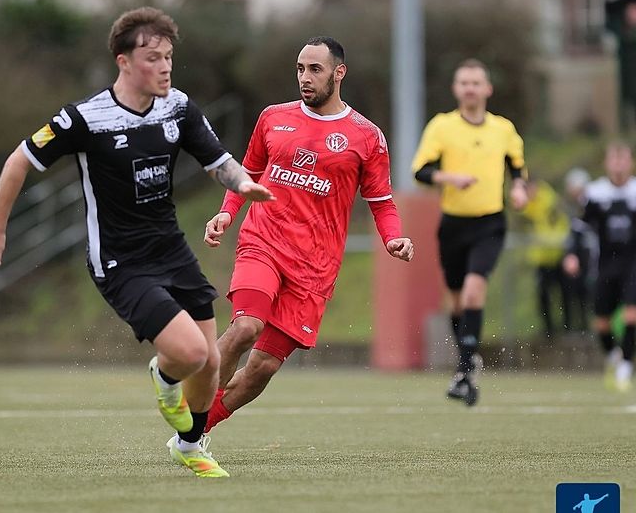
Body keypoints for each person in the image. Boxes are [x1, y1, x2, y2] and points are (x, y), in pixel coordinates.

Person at [0, 7, 273, 478]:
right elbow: (19, 160)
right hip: (121, 261)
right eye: (153, 57)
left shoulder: (178, 107)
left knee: (209, 364)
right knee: (188, 354)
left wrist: (241, 183)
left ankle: (188, 445)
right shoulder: (84, 118)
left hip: (171, 249)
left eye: (169, 57)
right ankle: (164, 377)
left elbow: (217, 160)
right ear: (123, 61)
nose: (165, 66)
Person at [201, 36, 414, 434]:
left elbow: (382, 202)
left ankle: (194, 432)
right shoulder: (272, 118)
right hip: (263, 243)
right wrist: (227, 214)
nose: (305, 77)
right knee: (246, 327)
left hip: (315, 266)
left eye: (315, 69)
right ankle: (190, 402)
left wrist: (393, 238)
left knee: (262, 367)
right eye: (300, 69)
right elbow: (246, 175)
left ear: (339, 73)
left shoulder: (367, 137)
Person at [410, 58, 528, 406]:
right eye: (464, 83)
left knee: (476, 292)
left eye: (476, 83)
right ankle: (468, 362)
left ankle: (464, 370)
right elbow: (421, 171)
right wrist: (451, 178)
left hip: (489, 222)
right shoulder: (442, 127)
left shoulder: (503, 129)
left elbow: (517, 167)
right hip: (453, 224)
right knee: (458, 300)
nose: (470, 88)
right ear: (456, 89)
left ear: (488, 89)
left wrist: (519, 189)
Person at [563, 142, 636, 392]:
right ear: (607, 164)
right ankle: (615, 355)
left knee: (631, 313)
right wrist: (572, 255)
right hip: (605, 264)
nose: (618, 164)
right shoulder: (595, 193)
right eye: (614, 159)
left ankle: (626, 365)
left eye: (623, 159)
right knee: (601, 322)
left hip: (632, 264)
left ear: (630, 162)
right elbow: (579, 229)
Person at [519, 178, 572, 339]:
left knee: (564, 293)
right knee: (543, 295)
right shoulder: (528, 207)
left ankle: (568, 328)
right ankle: (549, 329)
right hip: (541, 259)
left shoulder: (550, 202)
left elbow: (559, 225)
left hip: (558, 255)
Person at [563, 167, 596, 332]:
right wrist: (571, 254)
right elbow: (574, 235)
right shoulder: (575, 208)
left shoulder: (593, 204)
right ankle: (582, 327)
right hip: (583, 258)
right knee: (577, 291)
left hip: (596, 259)